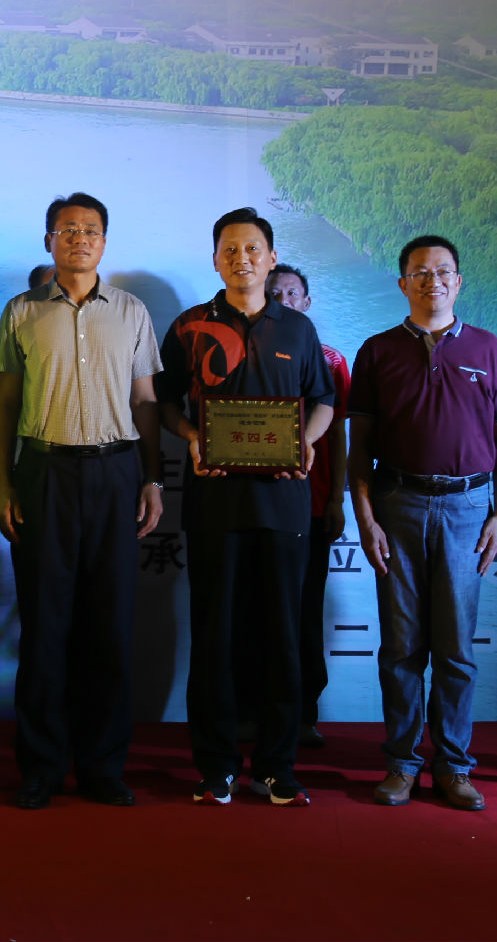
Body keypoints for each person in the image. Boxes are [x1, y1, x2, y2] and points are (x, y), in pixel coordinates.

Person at [0, 192, 162, 810]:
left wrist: (153, 479)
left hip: (117, 473)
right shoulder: (21, 312)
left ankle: (102, 766)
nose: (79, 239)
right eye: (67, 230)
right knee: (44, 626)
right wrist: (4, 485)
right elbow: (6, 406)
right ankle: (40, 767)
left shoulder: (132, 312)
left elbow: (145, 402)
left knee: (108, 626)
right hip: (44, 472)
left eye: (90, 230)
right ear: (49, 241)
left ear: (104, 243)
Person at [158, 209, 334, 806]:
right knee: (215, 636)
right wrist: (192, 436)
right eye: (230, 250)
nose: (242, 259)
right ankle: (216, 767)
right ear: (215, 260)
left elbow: (323, 401)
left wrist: (306, 440)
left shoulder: (298, 329)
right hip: (215, 502)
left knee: (281, 635)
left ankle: (277, 767)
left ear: (271, 256)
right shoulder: (189, 327)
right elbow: (165, 404)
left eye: (253, 249)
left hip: (283, 504)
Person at [347, 235, 497, 814]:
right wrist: (365, 516)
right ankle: (401, 762)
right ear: (403, 283)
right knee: (400, 648)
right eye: (420, 272)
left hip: (469, 509)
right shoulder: (377, 351)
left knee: (456, 648)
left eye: (443, 271)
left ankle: (454, 765)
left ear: (459, 282)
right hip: (397, 503)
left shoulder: (489, 348)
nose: (433, 281)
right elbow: (360, 446)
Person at [264, 264, 351, 749]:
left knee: (305, 610)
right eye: (275, 294)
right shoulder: (248, 351)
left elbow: (338, 435)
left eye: (292, 293)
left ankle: (303, 713)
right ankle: (254, 711)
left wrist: (336, 497)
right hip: (258, 503)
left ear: (307, 302)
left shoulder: (331, 359)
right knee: (256, 610)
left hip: (313, 504)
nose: (284, 301)